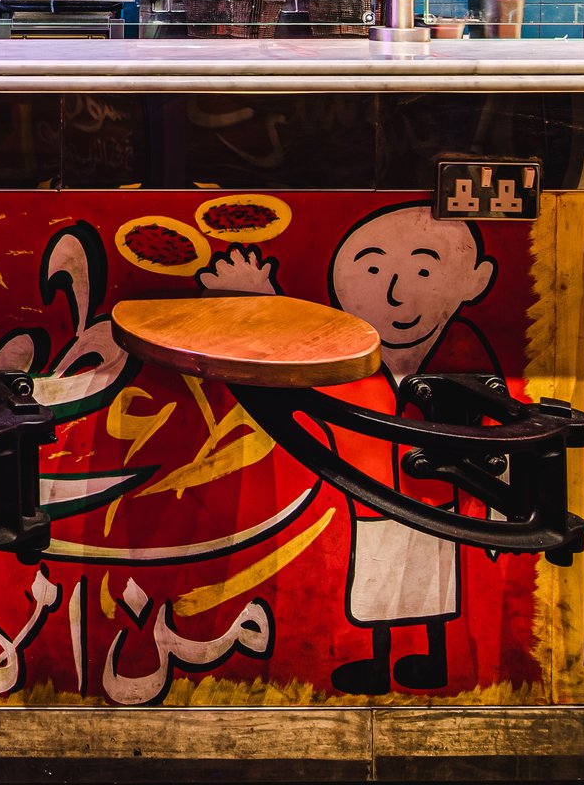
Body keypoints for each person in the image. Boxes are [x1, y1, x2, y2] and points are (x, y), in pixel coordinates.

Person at [202, 202, 499, 694]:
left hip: (432, 501)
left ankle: (431, 661)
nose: (397, 294)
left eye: (424, 269)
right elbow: (305, 368)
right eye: (374, 268)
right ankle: (385, 664)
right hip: (375, 500)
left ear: (476, 279)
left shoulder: (460, 347)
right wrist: (267, 301)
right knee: (381, 589)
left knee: (428, 585)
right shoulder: (352, 358)